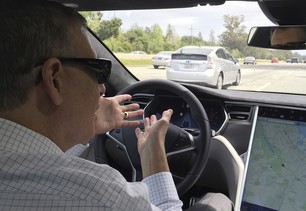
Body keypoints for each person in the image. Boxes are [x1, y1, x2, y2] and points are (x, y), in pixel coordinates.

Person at [0, 0, 233, 210]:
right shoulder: (98, 196)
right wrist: (153, 153)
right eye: (98, 71)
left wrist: (81, 124)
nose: (102, 89)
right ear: (54, 79)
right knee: (218, 200)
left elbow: (36, 157)